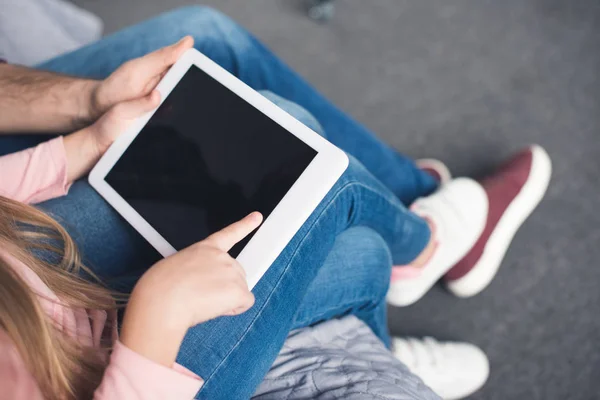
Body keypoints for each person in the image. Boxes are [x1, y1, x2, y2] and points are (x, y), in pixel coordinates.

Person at [0, 6, 551, 400]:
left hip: (28, 278)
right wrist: (153, 323)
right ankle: (425, 244)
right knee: (358, 247)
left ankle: (416, 245)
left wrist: (85, 141)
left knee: (267, 109)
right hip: (107, 372)